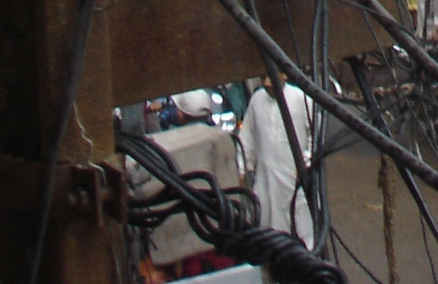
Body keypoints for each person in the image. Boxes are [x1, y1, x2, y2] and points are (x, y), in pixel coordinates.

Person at [128, 89, 244, 268]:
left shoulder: (166, 148)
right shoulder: (218, 139)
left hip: (182, 243)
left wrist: (152, 112)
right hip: (218, 236)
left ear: (182, 115)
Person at [238, 82, 315, 241]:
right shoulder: (257, 100)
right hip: (265, 181)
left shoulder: (300, 99)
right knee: (265, 231)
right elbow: (247, 139)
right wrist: (242, 169)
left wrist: (306, 164)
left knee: (301, 232)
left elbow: (315, 137)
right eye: (263, 78)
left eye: (271, 77)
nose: (267, 83)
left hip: (295, 182)